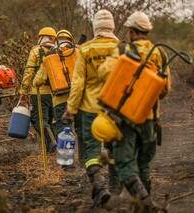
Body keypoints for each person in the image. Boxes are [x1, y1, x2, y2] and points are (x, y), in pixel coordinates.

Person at [99, 11, 171, 211]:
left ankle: (146, 204)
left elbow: (103, 72)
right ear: (147, 31)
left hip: (126, 119)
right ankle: (143, 205)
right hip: (151, 119)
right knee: (144, 164)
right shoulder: (160, 53)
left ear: (131, 31)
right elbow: (165, 89)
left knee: (124, 162)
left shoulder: (123, 50)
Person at [62, 10, 120, 208]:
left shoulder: (85, 50)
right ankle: (113, 188)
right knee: (113, 147)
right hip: (115, 109)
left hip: (90, 108)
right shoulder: (120, 48)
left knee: (91, 149)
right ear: (111, 26)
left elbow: (78, 83)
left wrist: (71, 108)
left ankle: (99, 184)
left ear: (95, 28)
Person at [19, 27, 56, 153]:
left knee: (38, 119)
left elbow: (29, 72)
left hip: (39, 92)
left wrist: (23, 92)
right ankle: (51, 146)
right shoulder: (58, 51)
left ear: (41, 37)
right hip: (56, 92)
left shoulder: (36, 51)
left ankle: (52, 143)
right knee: (50, 120)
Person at [33, 29, 77, 137]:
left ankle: (66, 152)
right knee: (81, 129)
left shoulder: (50, 56)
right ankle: (83, 152)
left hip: (59, 99)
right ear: (71, 39)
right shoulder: (77, 52)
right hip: (78, 97)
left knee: (63, 128)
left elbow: (38, 81)